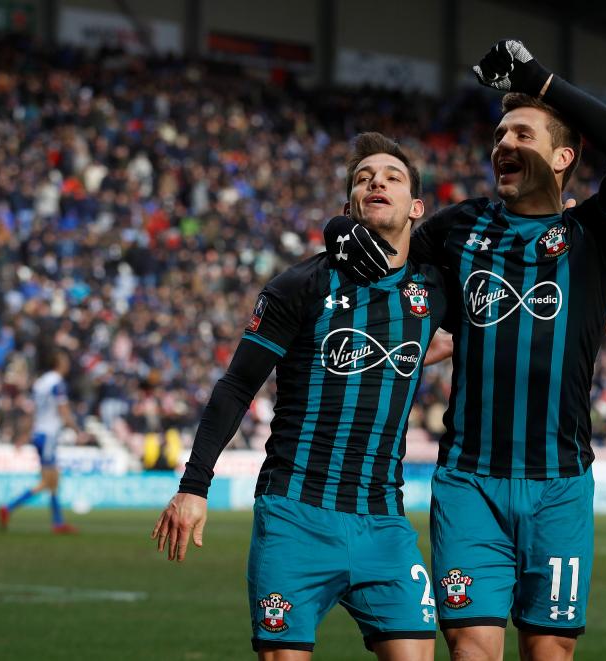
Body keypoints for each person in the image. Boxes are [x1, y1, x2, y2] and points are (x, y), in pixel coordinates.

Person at [326, 40, 606, 661]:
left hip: (559, 484)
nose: (502, 142)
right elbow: (383, 249)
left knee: (550, 653)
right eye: (499, 132)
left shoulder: (594, 234)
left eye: (522, 133)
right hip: (469, 482)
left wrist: (539, 79)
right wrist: (340, 229)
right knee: (473, 650)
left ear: (563, 156)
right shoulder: (458, 228)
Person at [152, 132, 448, 660]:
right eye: (363, 178)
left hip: (385, 522)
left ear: (416, 208)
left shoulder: (432, 287)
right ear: (347, 207)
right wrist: (193, 486)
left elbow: (442, 336)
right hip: (296, 515)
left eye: (392, 177)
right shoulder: (300, 285)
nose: (377, 181)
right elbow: (237, 386)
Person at [0, 346, 82, 534]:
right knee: (48, 481)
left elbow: (33, 412)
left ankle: (58, 522)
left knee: (54, 480)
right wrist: (77, 429)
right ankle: (8, 508)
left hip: (38, 434)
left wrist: (25, 434)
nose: (67, 364)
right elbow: (63, 410)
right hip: (49, 435)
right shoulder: (57, 382)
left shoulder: (40, 383)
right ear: (58, 363)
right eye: (65, 360)